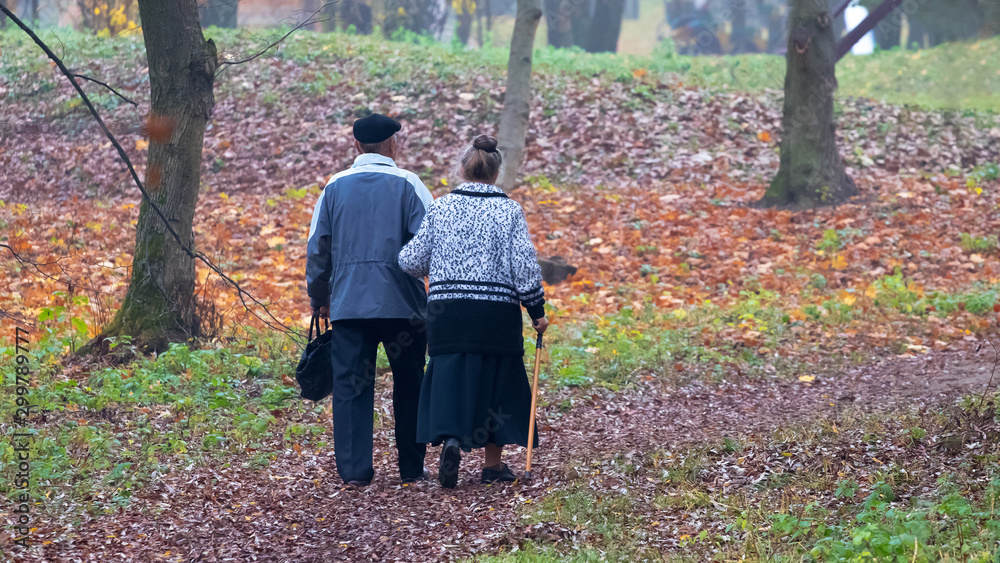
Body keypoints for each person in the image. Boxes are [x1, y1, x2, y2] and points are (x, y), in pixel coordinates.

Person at [398, 134, 548, 489]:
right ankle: (493, 466)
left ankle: (451, 440)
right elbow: (524, 266)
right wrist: (536, 310)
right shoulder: (508, 210)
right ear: (495, 174)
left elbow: (412, 261)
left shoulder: (441, 208)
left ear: (462, 170)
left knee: (450, 374)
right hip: (495, 315)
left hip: (448, 312)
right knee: (497, 380)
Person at [306, 113, 433, 487]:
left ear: (357, 146)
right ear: (393, 145)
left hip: (349, 305)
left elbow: (318, 249)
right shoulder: (410, 185)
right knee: (410, 383)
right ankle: (411, 467)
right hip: (404, 306)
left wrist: (320, 296)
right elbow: (429, 245)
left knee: (350, 386)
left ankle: (354, 471)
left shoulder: (333, 187)